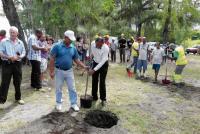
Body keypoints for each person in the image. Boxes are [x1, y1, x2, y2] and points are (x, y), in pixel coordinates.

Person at [49, 30, 88, 112]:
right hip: (59, 71)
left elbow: (76, 59)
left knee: (72, 88)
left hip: (69, 71)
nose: (71, 41)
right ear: (65, 37)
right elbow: (52, 59)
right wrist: (51, 71)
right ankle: (58, 103)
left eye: (71, 39)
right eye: (69, 39)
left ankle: (73, 103)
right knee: (58, 88)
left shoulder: (73, 47)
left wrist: (84, 66)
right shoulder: (57, 46)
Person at [0, 26, 26, 104]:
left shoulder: (20, 42)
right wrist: (8, 57)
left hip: (17, 64)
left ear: (17, 33)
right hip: (6, 63)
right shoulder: (4, 41)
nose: (12, 34)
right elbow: (0, 53)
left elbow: (23, 52)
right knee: (5, 82)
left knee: (18, 81)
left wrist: (19, 56)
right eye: (11, 32)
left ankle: (18, 98)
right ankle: (1, 100)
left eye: (13, 32)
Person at [88, 37, 109, 106]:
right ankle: (94, 97)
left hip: (103, 64)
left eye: (100, 45)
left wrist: (94, 70)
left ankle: (103, 99)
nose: (98, 46)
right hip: (95, 62)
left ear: (103, 43)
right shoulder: (92, 43)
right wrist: (90, 56)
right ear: (95, 42)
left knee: (102, 81)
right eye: (97, 44)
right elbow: (91, 52)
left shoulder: (106, 48)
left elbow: (103, 61)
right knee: (94, 80)